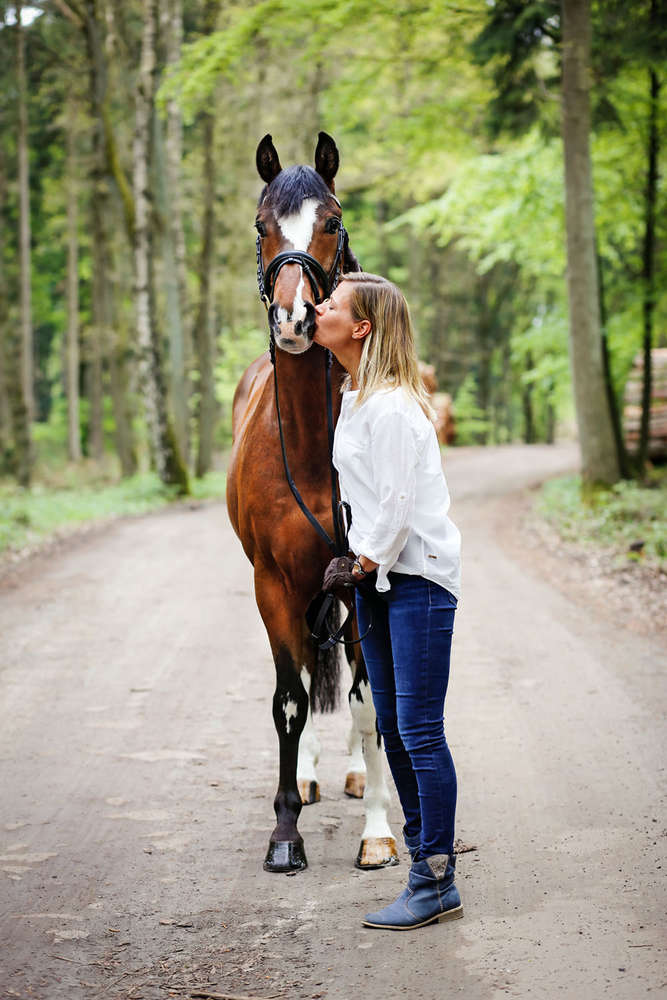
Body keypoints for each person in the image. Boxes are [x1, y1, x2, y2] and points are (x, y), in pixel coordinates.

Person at [314, 272, 462, 931]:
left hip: (416, 579)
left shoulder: (396, 406)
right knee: (392, 729)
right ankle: (428, 876)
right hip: (377, 578)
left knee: (420, 731)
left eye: (332, 306)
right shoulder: (354, 395)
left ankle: (434, 879)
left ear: (362, 326)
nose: (318, 310)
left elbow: (400, 505)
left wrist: (361, 559)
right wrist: (358, 563)